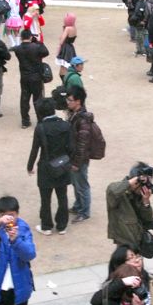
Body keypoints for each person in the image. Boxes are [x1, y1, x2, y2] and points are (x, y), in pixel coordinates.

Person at [27, 97, 73, 235]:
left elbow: (35, 149)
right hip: (62, 165)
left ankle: (46, 226)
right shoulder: (66, 125)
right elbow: (71, 147)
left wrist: (30, 166)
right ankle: (62, 225)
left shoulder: (40, 128)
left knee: (45, 199)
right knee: (62, 196)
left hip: (46, 167)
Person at [106, 162, 153, 253]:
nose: (146, 188)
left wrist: (146, 202)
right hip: (124, 239)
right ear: (135, 182)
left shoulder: (141, 195)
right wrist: (131, 182)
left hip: (137, 238)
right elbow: (111, 190)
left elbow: (147, 218)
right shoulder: (119, 192)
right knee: (126, 260)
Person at [66, 87, 94, 223]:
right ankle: (78, 206)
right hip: (74, 157)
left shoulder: (82, 120)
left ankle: (84, 211)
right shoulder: (74, 114)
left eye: (70, 100)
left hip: (79, 159)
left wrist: (76, 163)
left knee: (82, 185)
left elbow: (82, 145)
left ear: (78, 101)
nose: (67, 102)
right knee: (76, 184)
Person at [13, 27, 50, 128]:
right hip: (36, 77)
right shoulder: (36, 47)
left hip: (24, 77)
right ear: (30, 37)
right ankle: (40, 119)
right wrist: (38, 42)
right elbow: (46, 52)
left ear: (21, 37)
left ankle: (25, 121)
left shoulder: (18, 49)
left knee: (24, 99)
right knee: (38, 99)